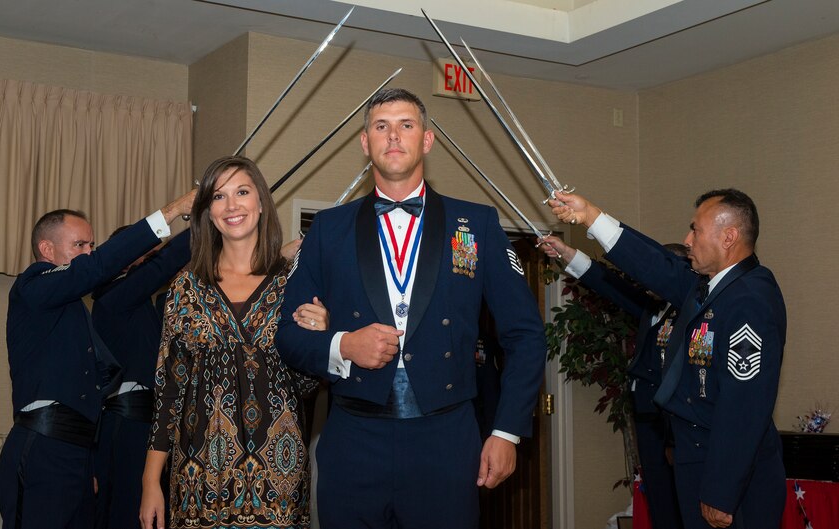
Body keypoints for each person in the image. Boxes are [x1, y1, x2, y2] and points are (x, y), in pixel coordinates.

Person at [275, 88, 547, 529]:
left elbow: (525, 335)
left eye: (406, 125)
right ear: (366, 143)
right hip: (353, 440)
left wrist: (505, 431)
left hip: (446, 440)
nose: (394, 136)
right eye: (381, 126)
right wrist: (344, 345)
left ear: (427, 140)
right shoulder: (327, 229)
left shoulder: (477, 225)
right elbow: (288, 335)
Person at [548, 189, 786, 529]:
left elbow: (745, 406)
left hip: (729, 477)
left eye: (696, 230)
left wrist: (720, 491)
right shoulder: (711, 288)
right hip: (697, 458)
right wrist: (590, 216)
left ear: (729, 237)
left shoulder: (750, 297)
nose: (687, 240)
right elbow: (655, 264)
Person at [139, 156, 327, 529]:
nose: (232, 205)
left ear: (261, 201)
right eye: (218, 197)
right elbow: (168, 395)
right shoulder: (185, 289)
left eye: (242, 192)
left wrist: (320, 340)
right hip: (198, 480)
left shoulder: (294, 284)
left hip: (278, 480)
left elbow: (305, 388)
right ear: (208, 212)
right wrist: (149, 482)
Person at [0, 192, 195, 529]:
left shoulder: (70, 304)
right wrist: (174, 210)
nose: (89, 253)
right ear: (47, 250)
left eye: (91, 246)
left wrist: (90, 464)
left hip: (77, 451)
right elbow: (103, 266)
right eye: (80, 245)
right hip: (43, 448)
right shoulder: (32, 286)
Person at [540, 235, 685, 529]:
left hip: (672, 426)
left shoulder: (689, 311)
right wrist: (568, 254)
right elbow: (606, 283)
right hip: (647, 421)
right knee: (661, 506)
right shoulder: (652, 307)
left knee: (680, 505)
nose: (647, 279)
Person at [91, 227, 191, 529]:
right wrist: (202, 219)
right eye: (146, 257)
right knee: (129, 510)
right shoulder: (112, 297)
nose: (152, 264)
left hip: (154, 424)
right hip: (127, 424)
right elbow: (166, 264)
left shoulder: (151, 305)